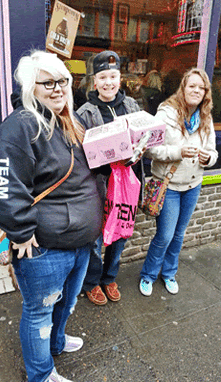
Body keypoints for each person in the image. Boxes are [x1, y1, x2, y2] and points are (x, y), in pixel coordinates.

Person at [0, 50, 104, 382]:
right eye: (46, 82)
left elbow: (84, 172)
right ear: (29, 88)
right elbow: (0, 184)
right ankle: (41, 373)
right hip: (46, 250)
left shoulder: (69, 119)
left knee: (65, 305)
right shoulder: (23, 126)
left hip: (81, 242)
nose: (57, 88)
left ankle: (57, 342)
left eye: (62, 80)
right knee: (39, 313)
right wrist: (20, 231)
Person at [139, 67, 218, 297]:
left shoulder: (206, 117)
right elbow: (149, 148)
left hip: (193, 184)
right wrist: (178, 152)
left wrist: (209, 158)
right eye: (191, 85)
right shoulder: (166, 113)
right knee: (164, 235)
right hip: (169, 185)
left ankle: (169, 273)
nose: (196, 90)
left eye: (201, 87)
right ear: (183, 88)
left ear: (205, 93)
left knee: (179, 234)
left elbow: (212, 152)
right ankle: (148, 275)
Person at [77, 50, 145, 305]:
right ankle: (92, 281)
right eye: (103, 77)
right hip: (98, 186)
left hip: (126, 184)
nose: (108, 82)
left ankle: (109, 277)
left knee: (121, 233)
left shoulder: (131, 106)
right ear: (94, 81)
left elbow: (142, 140)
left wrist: (139, 152)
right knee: (95, 239)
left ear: (120, 79)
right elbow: (79, 153)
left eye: (113, 76)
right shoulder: (85, 112)